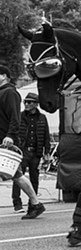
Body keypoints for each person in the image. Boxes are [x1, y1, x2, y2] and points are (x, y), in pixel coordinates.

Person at [0, 65, 46, 219]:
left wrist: (11, 135)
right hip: (3, 141)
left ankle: (35, 203)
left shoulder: (10, 92)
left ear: (4, 76)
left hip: (6, 142)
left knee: (17, 175)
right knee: (16, 175)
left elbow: (15, 117)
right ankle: (35, 203)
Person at [12, 92, 51, 210]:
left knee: (35, 178)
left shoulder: (42, 118)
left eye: (29, 102)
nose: (26, 104)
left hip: (36, 152)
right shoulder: (20, 116)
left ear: (35, 104)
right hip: (22, 152)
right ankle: (17, 203)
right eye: (25, 102)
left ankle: (32, 203)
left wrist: (46, 153)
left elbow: (46, 136)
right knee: (18, 177)